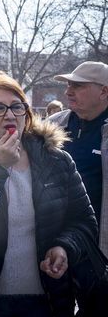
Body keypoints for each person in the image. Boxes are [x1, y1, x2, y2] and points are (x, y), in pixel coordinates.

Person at [0, 71, 97, 317]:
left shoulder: (56, 161)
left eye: (17, 106)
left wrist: (64, 247)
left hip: (44, 302)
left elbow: (83, 221)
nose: (9, 115)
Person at [49, 61, 108, 256]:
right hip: (53, 240)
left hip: (98, 244)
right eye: (68, 85)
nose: (68, 92)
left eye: (78, 86)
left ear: (104, 92)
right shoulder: (52, 126)